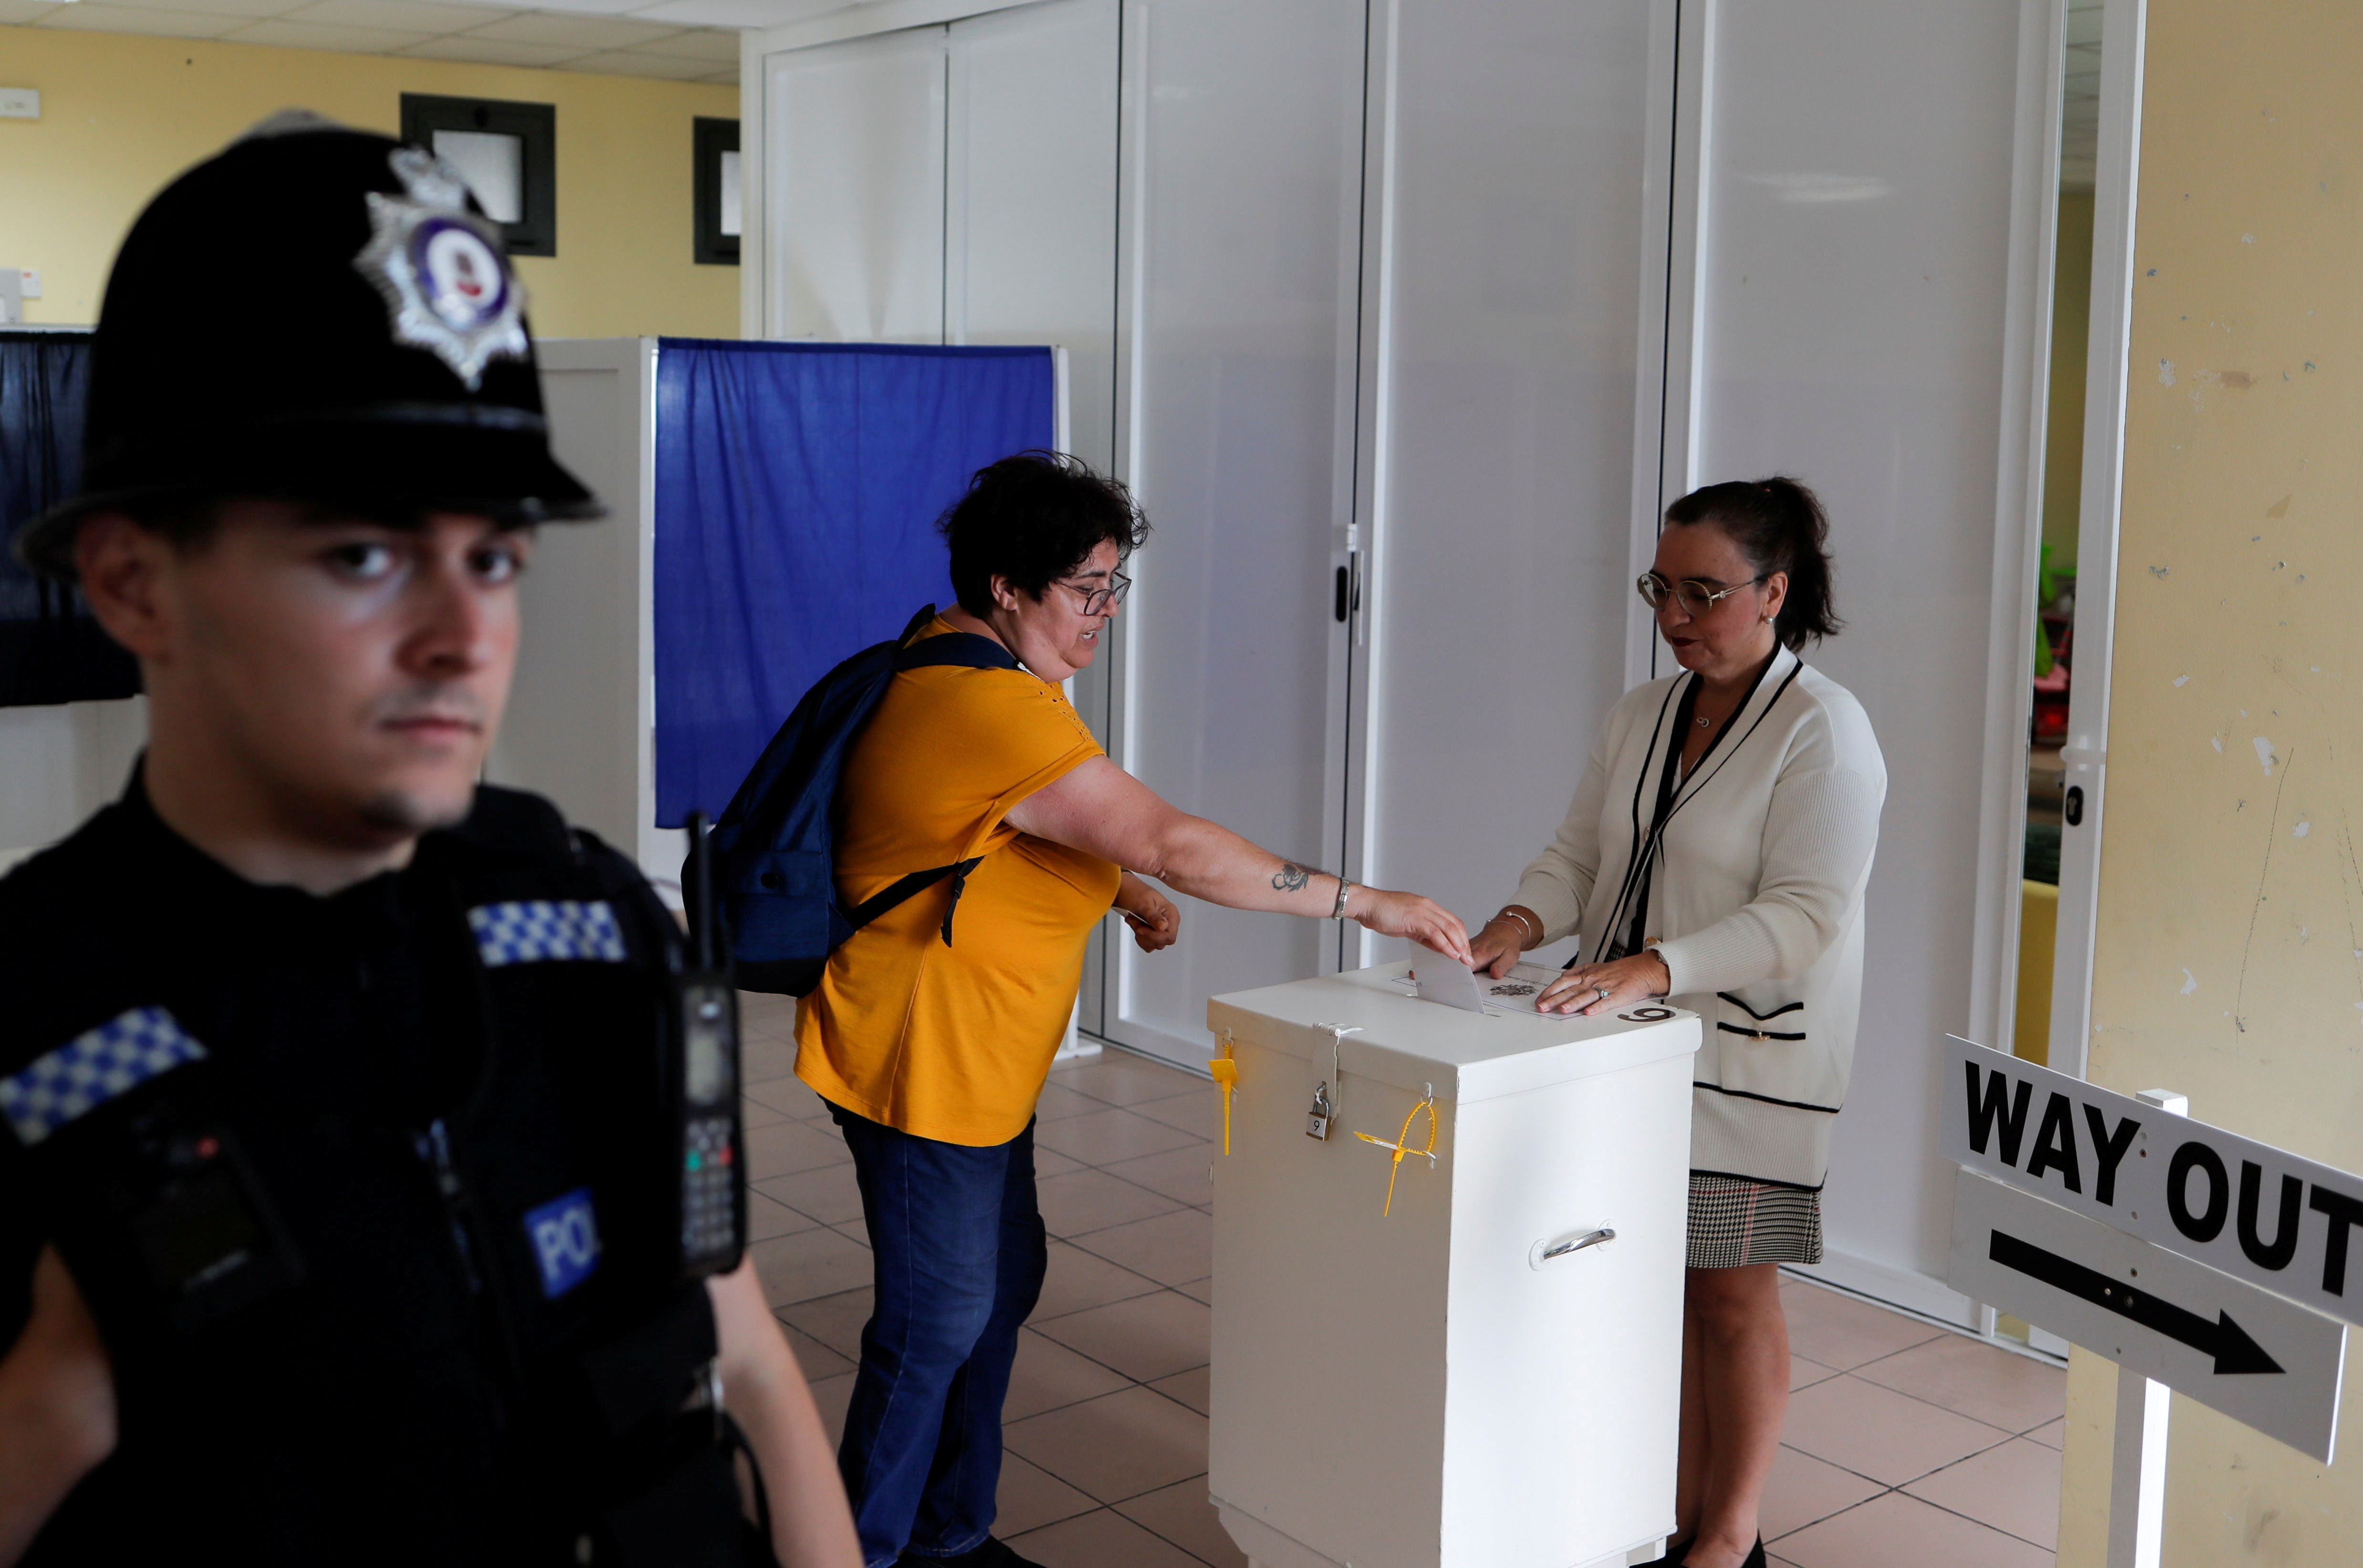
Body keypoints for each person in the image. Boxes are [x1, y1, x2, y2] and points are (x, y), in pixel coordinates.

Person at [0, 118, 859, 1568]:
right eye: (362, 554)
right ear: (133, 584)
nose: (466, 639)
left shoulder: (589, 922)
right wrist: (59, 1397)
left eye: (495, 558)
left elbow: (752, 1362)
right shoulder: (35, 1019)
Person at [794, 452, 1473, 1568]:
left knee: (1000, 1288)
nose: (1102, 613)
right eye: (1084, 590)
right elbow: (1168, 836)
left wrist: (1117, 888)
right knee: (933, 1329)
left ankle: (947, 1535)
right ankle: (854, 1552)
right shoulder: (984, 704)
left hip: (982, 1059)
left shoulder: (958, 659)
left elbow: (999, 829)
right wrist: (1370, 904)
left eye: (1115, 587)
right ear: (1007, 585)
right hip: (924, 1063)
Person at [1468, 478, 1886, 1568]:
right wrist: (1516, 922)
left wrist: (1652, 967)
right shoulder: (1642, 713)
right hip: (1618, 1053)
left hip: (1746, 1056)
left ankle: (1729, 1536)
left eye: (1703, 591)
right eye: (1661, 587)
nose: (1673, 615)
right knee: (1642, 1292)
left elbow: (1803, 918)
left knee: (1729, 1297)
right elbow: (1577, 856)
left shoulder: (1824, 733)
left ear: (1774, 593)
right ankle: (1660, 1513)